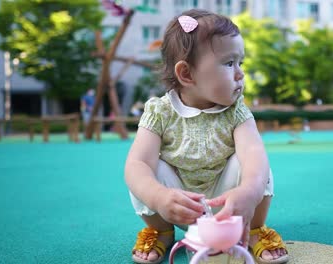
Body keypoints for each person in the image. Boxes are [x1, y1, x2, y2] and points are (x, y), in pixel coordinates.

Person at [124, 9, 289, 264]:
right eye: (228, 63)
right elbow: (136, 165)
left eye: (240, 63)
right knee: (144, 169)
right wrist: (159, 197)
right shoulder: (160, 111)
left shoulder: (236, 111)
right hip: (179, 200)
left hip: (227, 201)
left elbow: (254, 154)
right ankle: (161, 230)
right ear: (187, 74)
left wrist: (248, 191)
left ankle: (255, 229)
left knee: (257, 166)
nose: (240, 73)